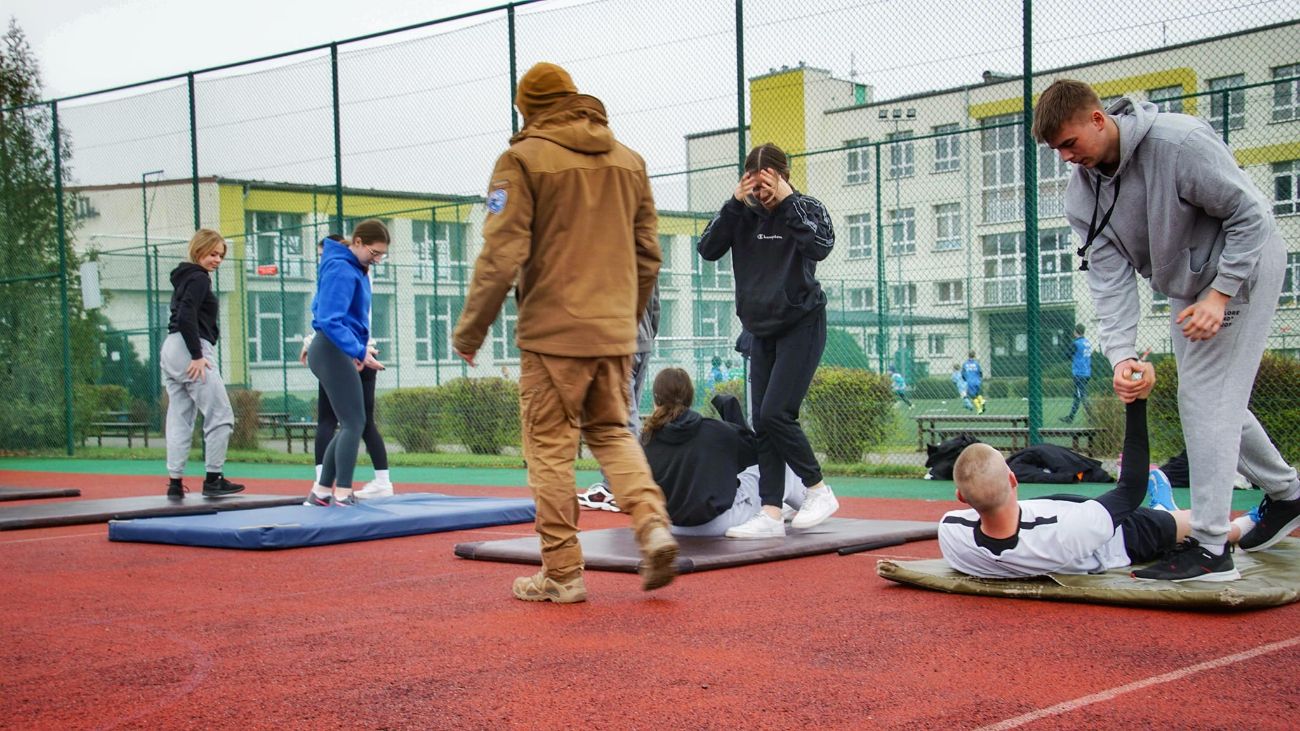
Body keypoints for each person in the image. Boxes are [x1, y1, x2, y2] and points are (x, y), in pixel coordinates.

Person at [1034, 79, 1300, 580]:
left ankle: (1210, 547)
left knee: (1206, 402)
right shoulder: (1083, 197)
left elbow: (1253, 215)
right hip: (1189, 284)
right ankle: (1288, 494)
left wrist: (1221, 294)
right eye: (1057, 151)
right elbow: (1110, 284)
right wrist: (1121, 356)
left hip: (1245, 264)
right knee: (1213, 401)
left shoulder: (1180, 144)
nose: (1067, 157)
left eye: (1070, 143)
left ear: (1098, 119)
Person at [452, 62, 678, 603]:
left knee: (550, 451)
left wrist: (471, 329)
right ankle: (652, 524)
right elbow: (649, 254)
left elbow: (503, 251)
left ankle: (561, 573)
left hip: (552, 334)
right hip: (616, 332)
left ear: (526, 107)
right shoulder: (630, 161)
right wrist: (625, 315)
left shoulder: (521, 159)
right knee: (613, 433)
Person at [697, 142, 840, 540]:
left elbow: (820, 246)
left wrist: (788, 202)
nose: (761, 194)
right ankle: (771, 512)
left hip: (802, 323)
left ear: (784, 176)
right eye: (754, 186)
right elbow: (707, 249)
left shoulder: (805, 208)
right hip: (760, 329)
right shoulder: (740, 213)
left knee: (777, 413)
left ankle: (817, 490)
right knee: (763, 422)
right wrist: (733, 203)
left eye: (768, 185)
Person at [939, 397, 1248, 581]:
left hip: (1070, 512)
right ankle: (1252, 522)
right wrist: (1136, 403)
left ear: (961, 497)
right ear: (1013, 480)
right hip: (1124, 534)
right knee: (1207, 526)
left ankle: (1164, 508)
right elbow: (1130, 490)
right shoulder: (1066, 533)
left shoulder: (951, 532)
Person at [640, 368, 807, 536]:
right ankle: (807, 504)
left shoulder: (646, 439)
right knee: (778, 464)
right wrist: (734, 419)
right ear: (690, 398)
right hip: (719, 522)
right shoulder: (715, 430)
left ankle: (781, 508)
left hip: (671, 526)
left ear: (655, 400)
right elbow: (759, 452)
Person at [300, 236, 394, 500]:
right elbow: (328, 318)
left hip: (338, 349)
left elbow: (356, 319)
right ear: (358, 243)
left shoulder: (354, 269)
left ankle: (320, 492)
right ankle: (341, 493)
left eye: (382, 255)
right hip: (332, 349)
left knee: (351, 423)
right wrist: (358, 350)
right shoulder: (340, 268)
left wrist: (361, 349)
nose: (377, 259)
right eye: (375, 252)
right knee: (354, 423)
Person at [161, 229, 245, 499]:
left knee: (179, 416)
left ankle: (175, 482)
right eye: (212, 254)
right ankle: (213, 478)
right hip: (191, 348)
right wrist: (197, 355)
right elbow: (187, 313)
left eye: (221, 255)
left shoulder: (184, 277)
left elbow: (183, 312)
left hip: (171, 347)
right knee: (221, 415)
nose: (217, 260)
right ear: (198, 251)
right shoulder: (199, 278)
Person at [577, 283, 660, 512]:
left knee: (620, 418)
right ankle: (620, 484)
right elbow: (655, 304)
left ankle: (627, 488)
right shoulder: (642, 249)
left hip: (618, 344)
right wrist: (648, 335)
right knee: (627, 415)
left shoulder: (607, 254)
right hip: (641, 343)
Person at [1062, 323, 1092, 423]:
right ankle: (1070, 417)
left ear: (1075, 332)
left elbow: (1066, 355)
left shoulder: (1076, 343)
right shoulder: (1087, 342)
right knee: (1078, 395)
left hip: (1079, 373)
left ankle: (1092, 417)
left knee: (1082, 396)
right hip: (1087, 371)